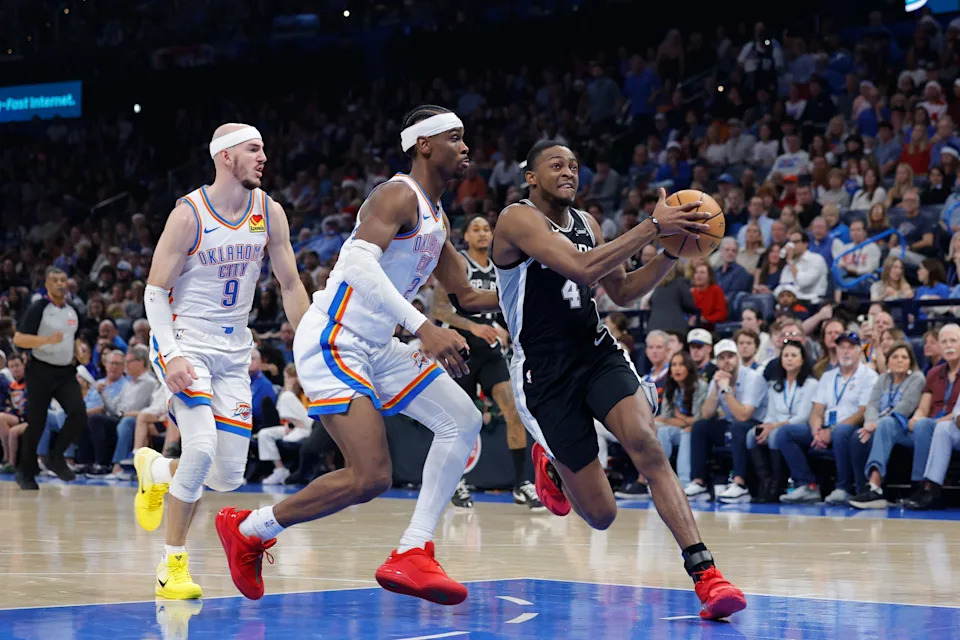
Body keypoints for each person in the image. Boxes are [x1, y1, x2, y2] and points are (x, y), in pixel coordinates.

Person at [215, 107, 499, 606]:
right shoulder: (396, 195)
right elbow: (354, 267)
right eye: (455, 138)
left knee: (463, 421)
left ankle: (414, 550)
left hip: (378, 345)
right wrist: (423, 327)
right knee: (370, 476)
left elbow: (470, 297)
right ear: (424, 145)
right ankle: (251, 529)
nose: (466, 147)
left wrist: (552, 278)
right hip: (334, 337)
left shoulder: (438, 217)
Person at [491, 139, 745, 619]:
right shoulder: (515, 219)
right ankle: (552, 462)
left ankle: (707, 575)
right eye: (556, 165)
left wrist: (673, 250)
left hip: (595, 350)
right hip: (543, 371)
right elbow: (581, 267)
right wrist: (653, 226)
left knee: (647, 445)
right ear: (531, 176)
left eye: (574, 165)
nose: (569, 172)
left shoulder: (587, 222)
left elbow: (624, 291)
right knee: (602, 515)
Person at [133, 123, 310, 600]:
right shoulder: (188, 214)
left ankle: (156, 472)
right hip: (185, 340)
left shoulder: (269, 211)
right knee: (203, 446)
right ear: (226, 157)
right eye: (255, 148)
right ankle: (172, 566)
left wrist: (313, 345)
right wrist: (169, 355)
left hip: (235, 350)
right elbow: (154, 291)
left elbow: (291, 286)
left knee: (229, 476)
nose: (263, 157)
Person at [429, 215, 542, 511]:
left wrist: (505, 328)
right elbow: (440, 308)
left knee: (513, 411)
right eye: (476, 229)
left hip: (491, 351)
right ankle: (456, 481)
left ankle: (521, 485)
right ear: (465, 236)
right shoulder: (459, 264)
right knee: (459, 421)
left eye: (486, 229)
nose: (482, 234)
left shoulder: (500, 265)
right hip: (460, 351)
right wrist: (473, 326)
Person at [777, 333, 879, 505]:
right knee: (785, 433)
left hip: (852, 428)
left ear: (859, 351)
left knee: (841, 432)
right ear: (836, 350)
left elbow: (863, 411)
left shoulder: (869, 376)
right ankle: (807, 485)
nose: (845, 352)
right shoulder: (827, 376)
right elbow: (817, 409)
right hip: (825, 427)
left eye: (850, 348)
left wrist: (830, 432)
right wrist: (817, 431)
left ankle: (843, 488)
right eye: (841, 348)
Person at [12, 267, 85, 490]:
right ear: (47, 284)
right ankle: (25, 470)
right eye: (56, 280)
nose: (61, 284)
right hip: (40, 371)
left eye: (64, 279)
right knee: (37, 422)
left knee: (78, 413)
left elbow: (74, 338)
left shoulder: (73, 311)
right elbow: (19, 339)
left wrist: (78, 351)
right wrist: (45, 341)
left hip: (65, 372)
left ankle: (55, 456)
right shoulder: (39, 308)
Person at [686, 339, 768, 503]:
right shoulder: (718, 379)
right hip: (732, 423)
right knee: (700, 426)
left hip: (756, 424)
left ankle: (740, 484)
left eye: (730, 356)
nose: (726, 361)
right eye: (722, 358)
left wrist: (726, 389)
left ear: (737, 357)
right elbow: (706, 414)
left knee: (738, 426)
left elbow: (744, 415)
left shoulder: (753, 378)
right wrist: (716, 390)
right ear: (716, 361)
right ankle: (699, 482)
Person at [848, 342, 925, 509]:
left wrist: (875, 424)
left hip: (905, 429)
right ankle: (863, 488)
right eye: (895, 357)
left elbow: (905, 408)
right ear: (888, 361)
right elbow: (872, 404)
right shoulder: (883, 379)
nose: (899, 360)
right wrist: (869, 422)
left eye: (904, 357)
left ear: (910, 362)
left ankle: (875, 486)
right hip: (880, 425)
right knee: (857, 436)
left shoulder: (917, 378)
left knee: (886, 423)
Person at [749, 340, 817, 503]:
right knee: (752, 434)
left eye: (794, 355)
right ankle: (766, 483)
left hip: (802, 429)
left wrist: (773, 427)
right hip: (778, 427)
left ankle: (779, 485)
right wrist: (766, 425)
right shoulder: (775, 385)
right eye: (786, 355)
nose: (789, 359)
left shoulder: (811, 384)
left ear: (802, 360)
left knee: (777, 435)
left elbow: (802, 417)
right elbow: (770, 414)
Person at [901, 324, 960, 510]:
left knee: (937, 427)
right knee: (928, 426)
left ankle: (925, 487)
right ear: (939, 347)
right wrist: (916, 418)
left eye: (953, 341)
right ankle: (929, 489)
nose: (949, 346)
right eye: (944, 342)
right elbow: (924, 406)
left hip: (950, 423)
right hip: (946, 425)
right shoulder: (934, 373)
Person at [649, 350, 708, 493]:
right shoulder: (671, 387)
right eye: (674, 365)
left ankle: (684, 483)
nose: (677, 368)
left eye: (681, 365)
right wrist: (681, 420)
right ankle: (658, 480)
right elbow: (665, 417)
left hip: (697, 432)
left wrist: (679, 418)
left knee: (688, 432)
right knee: (663, 431)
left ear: (689, 367)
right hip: (677, 429)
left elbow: (698, 420)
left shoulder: (700, 386)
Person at [257, 364, 312, 485]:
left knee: (287, 396)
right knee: (264, 434)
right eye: (285, 377)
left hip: (309, 426)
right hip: (292, 426)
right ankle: (279, 469)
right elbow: (285, 416)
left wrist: (288, 391)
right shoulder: (288, 393)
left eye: (289, 377)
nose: (286, 380)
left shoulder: (306, 391)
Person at [777, 230, 828, 304]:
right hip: (790, 301)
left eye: (796, 242)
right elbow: (783, 285)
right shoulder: (790, 263)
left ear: (806, 244)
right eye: (790, 242)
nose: (792, 245)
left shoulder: (816, 259)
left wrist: (790, 262)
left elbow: (804, 283)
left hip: (811, 300)